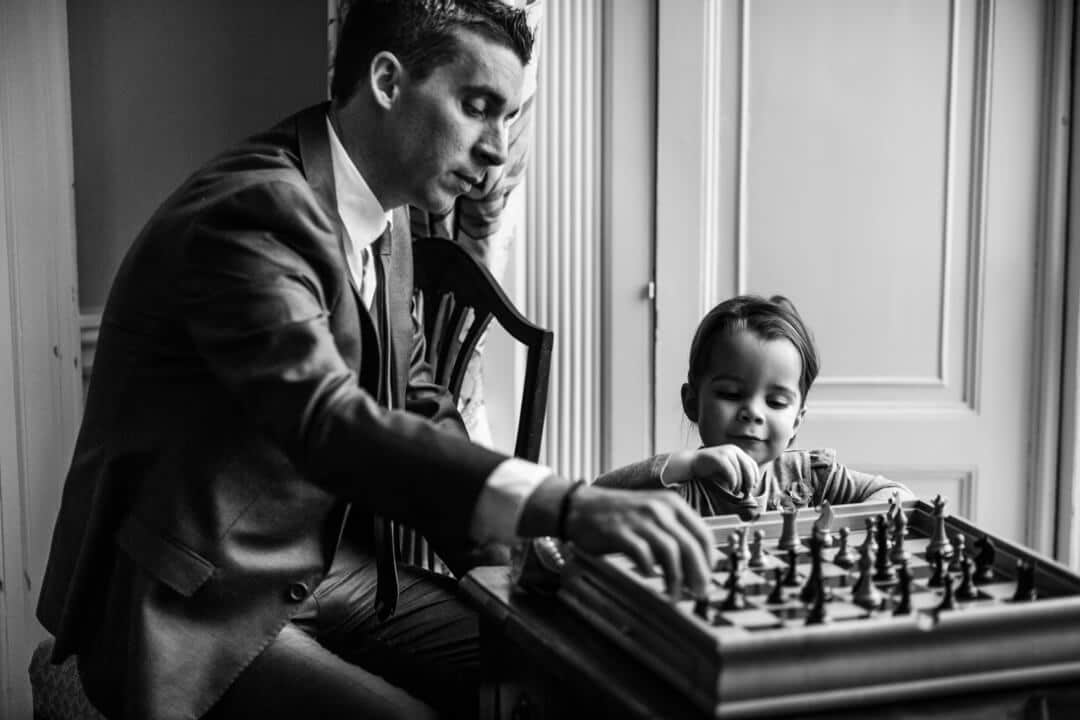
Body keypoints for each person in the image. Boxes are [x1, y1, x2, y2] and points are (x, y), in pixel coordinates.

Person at [35, 2, 714, 719]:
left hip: (326, 572)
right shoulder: (254, 211)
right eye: (478, 107)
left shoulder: (384, 219)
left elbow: (416, 400)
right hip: (197, 598)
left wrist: (517, 550)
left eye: (508, 119)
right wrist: (567, 504)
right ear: (388, 80)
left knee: (557, 673)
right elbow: (328, 421)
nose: (496, 148)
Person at [596, 294, 914, 515]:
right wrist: (687, 465)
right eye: (732, 395)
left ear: (796, 422)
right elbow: (596, 498)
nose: (753, 412)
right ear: (692, 402)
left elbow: (898, 495)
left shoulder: (815, 477)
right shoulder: (682, 488)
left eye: (776, 402)